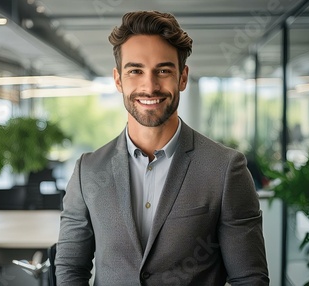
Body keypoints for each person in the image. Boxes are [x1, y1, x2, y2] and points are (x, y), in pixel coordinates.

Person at [55, 10, 269, 285]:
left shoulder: (226, 169)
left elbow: (249, 278)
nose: (150, 86)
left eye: (164, 70)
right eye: (135, 71)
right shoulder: (89, 170)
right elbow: (70, 268)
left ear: (182, 77)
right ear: (118, 80)